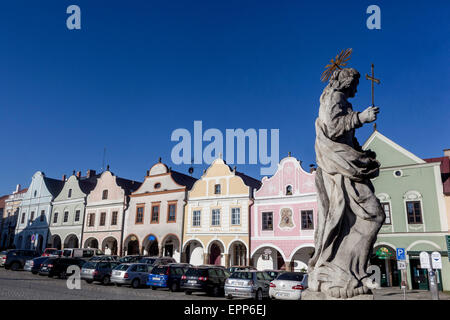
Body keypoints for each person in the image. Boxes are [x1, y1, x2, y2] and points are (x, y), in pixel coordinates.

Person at [308, 68, 385, 299]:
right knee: (372, 215)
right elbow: (332, 128)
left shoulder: (339, 99)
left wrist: (361, 152)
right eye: (354, 84)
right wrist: (361, 118)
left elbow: (347, 137)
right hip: (339, 168)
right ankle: (344, 271)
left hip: (346, 164)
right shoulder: (334, 97)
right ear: (345, 82)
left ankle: (351, 271)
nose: (356, 89)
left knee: (358, 218)